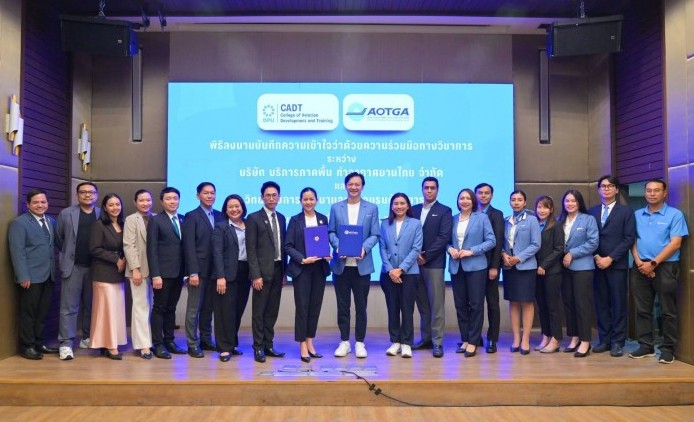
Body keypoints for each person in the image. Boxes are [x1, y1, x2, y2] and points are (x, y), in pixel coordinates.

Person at [629, 179, 688, 364]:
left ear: (664, 193)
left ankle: (668, 349)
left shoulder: (675, 214)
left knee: (667, 310)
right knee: (642, 310)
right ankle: (646, 346)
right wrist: (639, 262)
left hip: (666, 266)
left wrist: (653, 263)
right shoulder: (636, 215)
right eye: (649, 190)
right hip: (640, 267)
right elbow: (632, 240)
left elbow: (675, 243)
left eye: (656, 190)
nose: (652, 193)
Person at [328, 172, 380, 359]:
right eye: (350, 184)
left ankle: (359, 342)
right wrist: (338, 246)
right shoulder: (336, 207)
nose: (354, 187)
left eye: (357, 184)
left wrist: (364, 248)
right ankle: (344, 342)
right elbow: (331, 232)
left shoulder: (371, 208)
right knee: (343, 306)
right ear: (345, 186)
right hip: (341, 266)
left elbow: (375, 234)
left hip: (362, 266)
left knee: (361, 306)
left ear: (362, 187)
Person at [588, 176, 635, 358]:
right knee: (601, 304)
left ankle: (617, 342)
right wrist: (597, 257)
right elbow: (588, 237)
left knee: (618, 304)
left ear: (616, 189)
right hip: (597, 264)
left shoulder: (626, 212)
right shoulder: (592, 212)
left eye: (610, 186)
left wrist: (610, 258)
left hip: (617, 265)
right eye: (603, 186)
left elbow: (629, 238)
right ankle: (604, 340)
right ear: (598, 190)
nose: (606, 189)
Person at [8, 189, 58, 360]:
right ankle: (27, 346)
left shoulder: (51, 221)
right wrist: (23, 276)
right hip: (30, 277)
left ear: (47, 203)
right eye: (36, 202)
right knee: (28, 313)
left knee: (42, 312)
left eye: (43, 202)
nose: (40, 205)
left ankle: (39, 343)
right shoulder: (19, 223)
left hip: (49, 275)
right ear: (28, 204)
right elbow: (17, 251)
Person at [448, 188, 496, 358]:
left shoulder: (481, 217)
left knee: (476, 305)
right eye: (462, 198)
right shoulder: (453, 219)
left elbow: (491, 241)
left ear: (473, 201)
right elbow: (447, 241)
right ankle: (465, 339)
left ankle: (474, 341)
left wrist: (471, 251)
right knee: (460, 305)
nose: (465, 201)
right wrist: (450, 249)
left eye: (468, 198)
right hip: (456, 267)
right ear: (458, 201)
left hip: (476, 267)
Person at [284, 187, 331, 362]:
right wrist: (303, 259)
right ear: (300, 201)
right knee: (302, 307)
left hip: (319, 269)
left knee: (315, 307)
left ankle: (310, 341)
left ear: (317, 200)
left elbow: (324, 243)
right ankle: (302, 344)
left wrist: (327, 254)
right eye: (305, 199)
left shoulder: (323, 219)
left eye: (311, 199)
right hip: (302, 269)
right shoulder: (294, 220)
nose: (308, 202)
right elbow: (288, 246)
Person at [55, 182, 100, 360]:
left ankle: (87, 337)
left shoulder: (102, 213)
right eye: (83, 192)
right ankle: (66, 343)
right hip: (73, 267)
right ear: (77, 195)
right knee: (69, 307)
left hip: (96, 268)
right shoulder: (66, 213)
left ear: (96, 195)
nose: (87, 195)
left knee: (92, 305)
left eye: (91, 192)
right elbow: (59, 238)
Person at [411, 177, 452, 358]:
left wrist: (425, 256)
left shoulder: (444, 211)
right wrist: (415, 256)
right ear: (422, 189)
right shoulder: (413, 210)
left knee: (436, 305)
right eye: (426, 188)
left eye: (432, 188)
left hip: (434, 264)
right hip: (414, 264)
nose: (429, 190)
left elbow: (443, 238)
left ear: (437, 190)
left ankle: (437, 342)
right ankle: (426, 338)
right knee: (423, 305)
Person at [246, 181, 287, 363]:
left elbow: (283, 247)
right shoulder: (253, 218)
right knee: (259, 312)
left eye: (274, 195)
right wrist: (255, 275)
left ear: (279, 197)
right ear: (262, 197)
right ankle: (258, 347)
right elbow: (251, 249)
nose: (271, 198)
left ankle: (269, 345)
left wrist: (284, 272)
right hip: (261, 273)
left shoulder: (282, 218)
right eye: (268, 195)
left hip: (278, 270)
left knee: (272, 311)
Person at [378, 193, 423, 359]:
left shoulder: (416, 223)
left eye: (402, 203)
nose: (399, 206)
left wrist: (401, 269)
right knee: (393, 308)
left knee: (407, 308)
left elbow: (416, 248)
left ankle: (406, 343)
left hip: (409, 273)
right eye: (395, 203)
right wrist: (391, 270)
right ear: (391, 206)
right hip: (388, 274)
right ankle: (395, 341)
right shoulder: (385, 224)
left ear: (408, 206)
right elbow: (382, 248)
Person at [182, 182, 222, 358]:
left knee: (208, 309)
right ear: (198, 195)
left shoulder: (220, 215)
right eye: (206, 193)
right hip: (198, 271)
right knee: (194, 309)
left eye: (212, 193)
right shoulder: (192, 216)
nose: (210, 196)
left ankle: (206, 339)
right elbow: (189, 246)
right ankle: (192, 343)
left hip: (215, 272)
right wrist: (192, 272)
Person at [147, 187, 187, 359]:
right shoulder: (156, 220)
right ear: (162, 201)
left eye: (175, 198)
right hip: (162, 274)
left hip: (178, 273)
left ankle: (170, 341)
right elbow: (151, 249)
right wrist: (155, 274)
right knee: (159, 308)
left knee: (171, 308)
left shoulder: (183, 219)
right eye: (168, 198)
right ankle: (158, 344)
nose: (172, 201)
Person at [559, 189, 599, 358]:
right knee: (569, 303)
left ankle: (585, 341)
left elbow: (593, 243)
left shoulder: (588, 219)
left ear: (579, 202)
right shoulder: (560, 220)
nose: (570, 204)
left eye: (573, 201)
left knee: (582, 304)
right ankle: (574, 337)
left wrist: (572, 253)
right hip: (564, 268)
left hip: (582, 267)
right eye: (567, 201)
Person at [212, 194, 252, 362]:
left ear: (242, 207)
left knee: (237, 310)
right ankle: (224, 348)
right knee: (224, 312)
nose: (234, 209)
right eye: (230, 207)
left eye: (237, 206)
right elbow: (217, 253)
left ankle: (232, 343)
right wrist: (220, 276)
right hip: (227, 274)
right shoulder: (221, 227)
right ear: (225, 210)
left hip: (245, 272)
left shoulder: (249, 225)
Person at [502, 190, 541, 355]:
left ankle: (525, 339)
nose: (516, 202)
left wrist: (518, 258)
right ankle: (516, 338)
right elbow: (502, 243)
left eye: (519, 200)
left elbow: (536, 244)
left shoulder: (532, 220)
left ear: (525, 202)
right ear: (510, 202)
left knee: (526, 302)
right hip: (509, 267)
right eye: (513, 200)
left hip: (526, 267)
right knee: (513, 302)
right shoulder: (506, 220)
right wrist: (503, 255)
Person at [89, 193, 127, 360]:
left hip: (119, 273)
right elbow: (94, 249)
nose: (115, 207)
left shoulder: (123, 224)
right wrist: (116, 259)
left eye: (117, 204)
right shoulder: (99, 225)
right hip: (103, 273)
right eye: (111, 205)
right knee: (106, 311)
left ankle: (110, 343)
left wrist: (123, 259)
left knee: (115, 310)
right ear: (104, 207)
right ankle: (110, 346)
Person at [123, 189, 154, 359]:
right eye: (141, 200)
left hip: (156, 270)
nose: (145, 203)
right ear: (135, 202)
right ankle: (143, 346)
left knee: (152, 307)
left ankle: (151, 340)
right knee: (141, 307)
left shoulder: (156, 217)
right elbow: (129, 245)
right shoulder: (131, 219)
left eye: (148, 200)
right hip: (139, 270)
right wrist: (135, 268)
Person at [474, 183, 505, 354]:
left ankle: (492, 339)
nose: (483, 195)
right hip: (472, 266)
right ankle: (474, 337)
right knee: (474, 303)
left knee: (492, 303)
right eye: (480, 193)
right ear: (475, 194)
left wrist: (494, 267)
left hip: (489, 266)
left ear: (492, 196)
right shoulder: (470, 213)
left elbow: (498, 241)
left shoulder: (496, 214)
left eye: (487, 193)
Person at [534, 195, 564, 353]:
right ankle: (546, 335)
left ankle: (556, 339)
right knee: (542, 306)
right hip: (535, 271)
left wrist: (544, 265)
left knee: (553, 306)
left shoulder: (556, 225)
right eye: (539, 207)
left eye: (545, 207)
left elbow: (559, 249)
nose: (542, 210)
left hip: (552, 271)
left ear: (551, 209)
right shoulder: (534, 224)